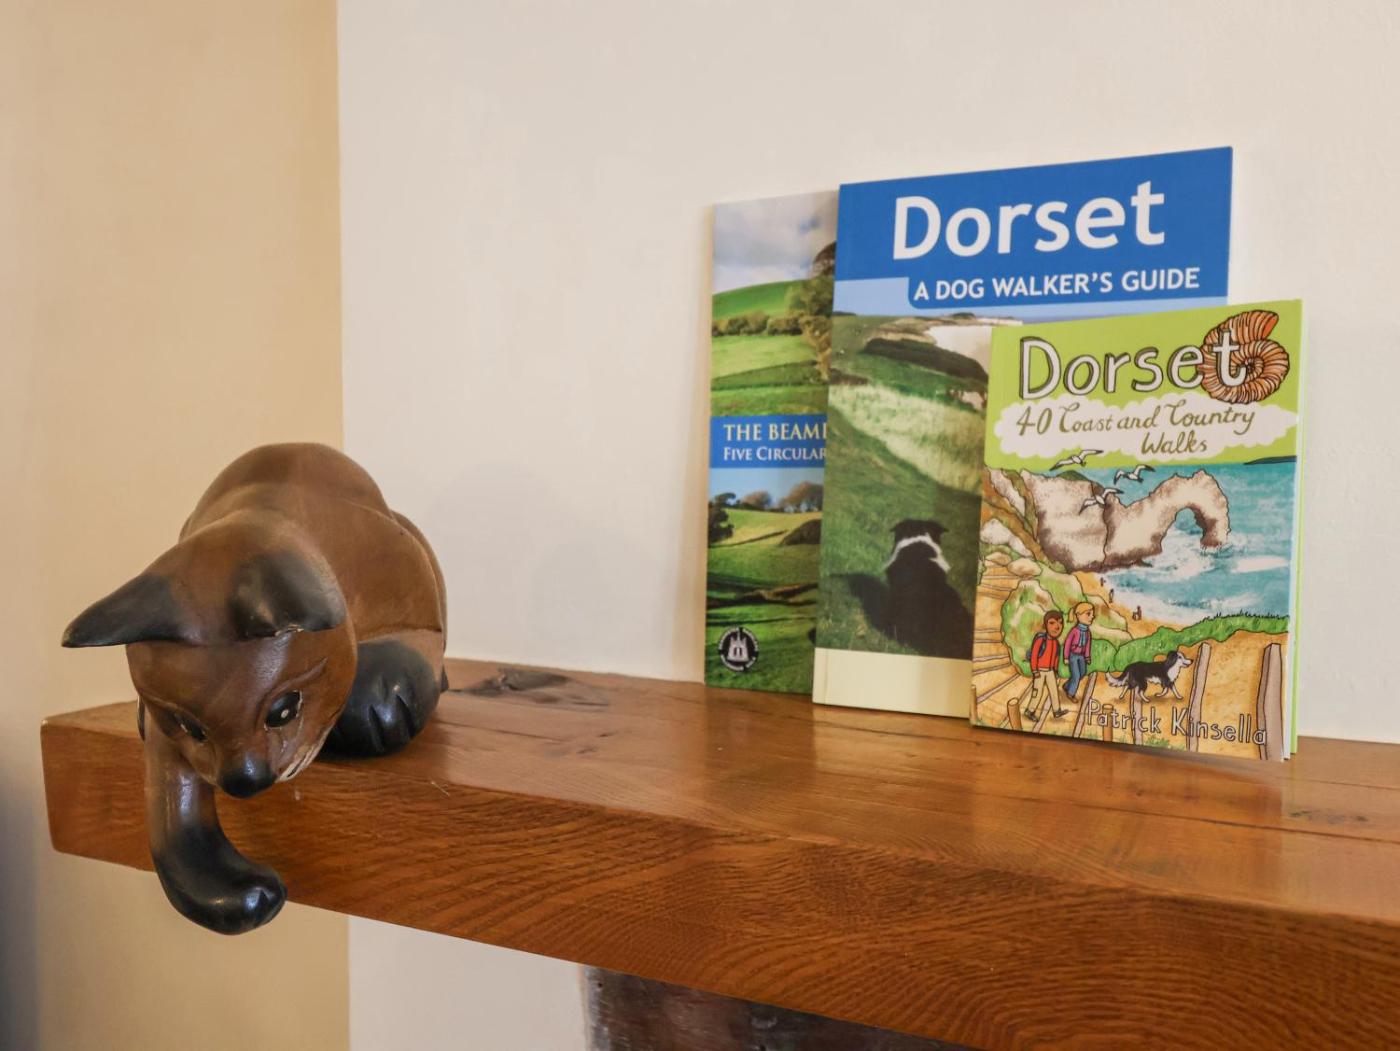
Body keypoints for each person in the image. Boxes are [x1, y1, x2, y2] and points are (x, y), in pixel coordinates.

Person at [1024, 611, 1066, 721]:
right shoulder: (1040, 639)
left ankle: (1057, 711)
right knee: (1037, 692)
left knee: (1054, 690)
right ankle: (1030, 711)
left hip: (1050, 671)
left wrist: (1055, 671)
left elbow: (1056, 658)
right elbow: (1034, 655)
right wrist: (1034, 670)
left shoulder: (1056, 643)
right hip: (1039, 671)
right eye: (1052, 623)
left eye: (1060, 623)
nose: (1057, 626)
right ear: (1046, 625)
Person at [1065, 601, 1095, 699]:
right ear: (1078, 616)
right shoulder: (1074, 631)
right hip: (1073, 656)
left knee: (1082, 673)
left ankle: (1067, 686)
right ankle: (1071, 694)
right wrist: (1066, 657)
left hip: (1081, 656)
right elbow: (1067, 643)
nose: (1092, 617)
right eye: (1088, 614)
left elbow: (1088, 645)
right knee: (1076, 676)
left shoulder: (1088, 632)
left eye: (1092, 614)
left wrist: (1087, 657)